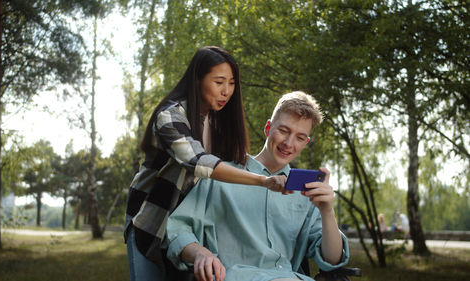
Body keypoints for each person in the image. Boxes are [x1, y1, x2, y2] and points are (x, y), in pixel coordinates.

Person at [124, 46, 287, 281]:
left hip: (188, 229)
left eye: (231, 83)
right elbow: (200, 163)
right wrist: (263, 181)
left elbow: (235, 167)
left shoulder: (217, 122)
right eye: (219, 82)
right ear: (197, 79)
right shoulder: (170, 117)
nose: (227, 91)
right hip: (151, 221)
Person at [166, 91, 350, 281]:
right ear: (268, 128)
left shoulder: (307, 192)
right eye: (284, 131)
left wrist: (327, 211)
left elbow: (332, 260)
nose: (289, 143)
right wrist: (200, 254)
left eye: (300, 137)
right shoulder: (221, 176)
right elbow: (177, 229)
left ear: (306, 142)